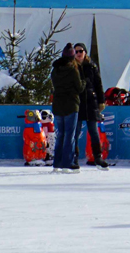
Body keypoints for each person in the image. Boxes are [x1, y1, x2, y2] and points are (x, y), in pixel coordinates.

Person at [49, 43, 84, 173]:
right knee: (70, 135)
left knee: (61, 134)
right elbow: (79, 87)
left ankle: (57, 162)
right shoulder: (73, 70)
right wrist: (84, 81)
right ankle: (67, 162)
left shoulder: (55, 70)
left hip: (58, 104)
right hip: (71, 104)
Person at [73, 43, 108, 168]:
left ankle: (98, 157)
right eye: (76, 51)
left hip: (91, 103)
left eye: (81, 51)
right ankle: (74, 158)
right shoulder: (72, 66)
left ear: (85, 52)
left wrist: (101, 101)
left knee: (94, 131)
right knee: (75, 132)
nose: (78, 54)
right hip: (77, 103)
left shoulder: (92, 66)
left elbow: (98, 84)